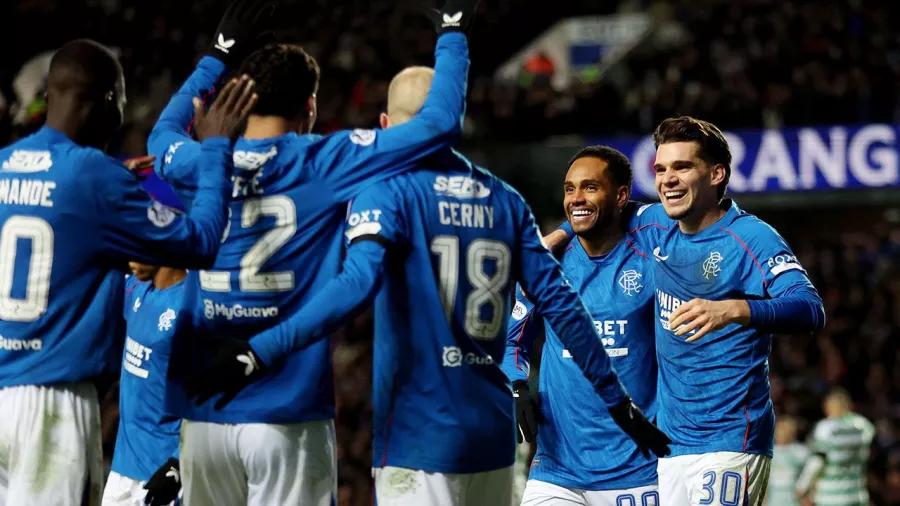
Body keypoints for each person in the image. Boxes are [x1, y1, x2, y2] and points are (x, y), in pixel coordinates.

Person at [189, 69, 671, 506]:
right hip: (491, 439)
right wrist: (618, 401)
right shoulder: (505, 200)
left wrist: (261, 350)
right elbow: (564, 306)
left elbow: (356, 285)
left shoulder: (387, 193)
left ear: (384, 125)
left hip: (418, 439)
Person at [147, 1, 476, 504]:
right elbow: (438, 125)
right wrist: (452, 33)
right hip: (288, 414)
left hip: (205, 414)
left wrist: (217, 55)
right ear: (310, 108)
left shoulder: (197, 161)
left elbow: (162, 134)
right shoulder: (326, 160)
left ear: (240, 102)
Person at [0, 38, 251, 505]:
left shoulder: (5, 165)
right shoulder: (96, 177)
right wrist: (216, 148)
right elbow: (200, 240)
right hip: (51, 406)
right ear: (109, 101)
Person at [616, 115, 827, 505]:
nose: (667, 179)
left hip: (731, 440)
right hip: (671, 443)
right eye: (660, 169)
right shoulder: (654, 223)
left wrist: (733, 309)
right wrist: (557, 236)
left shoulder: (751, 236)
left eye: (682, 167)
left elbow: (810, 308)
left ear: (716, 174)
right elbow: (594, 209)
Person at [503, 146, 660, 506]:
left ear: (621, 195)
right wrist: (516, 385)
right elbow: (512, 343)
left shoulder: (653, 262)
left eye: (590, 187)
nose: (576, 199)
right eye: (569, 189)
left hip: (637, 470)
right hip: (557, 471)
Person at [103, 259, 186, 506]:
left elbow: (211, 392)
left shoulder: (191, 307)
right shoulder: (136, 289)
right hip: (122, 469)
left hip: (162, 472)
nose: (131, 257)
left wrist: (179, 462)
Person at [796, 388, 875, 506]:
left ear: (827, 406)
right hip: (857, 495)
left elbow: (817, 462)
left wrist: (802, 486)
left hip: (830, 497)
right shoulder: (863, 427)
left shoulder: (825, 428)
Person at [765, 415, 810, 506]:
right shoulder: (768, 452)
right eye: (781, 429)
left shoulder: (802, 452)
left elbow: (810, 474)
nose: (784, 433)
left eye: (788, 430)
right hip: (773, 500)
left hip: (795, 500)